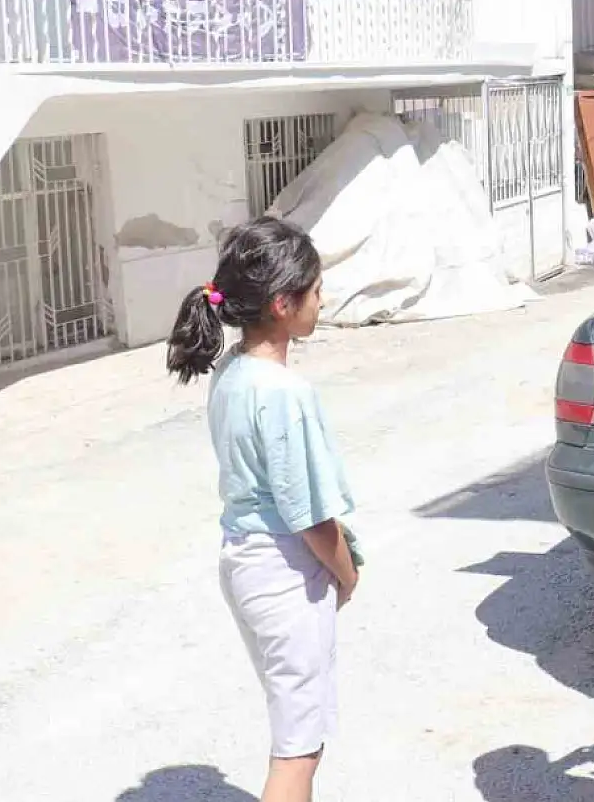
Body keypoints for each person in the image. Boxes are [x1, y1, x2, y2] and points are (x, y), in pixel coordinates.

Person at [166, 216, 361, 802]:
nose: (322, 301)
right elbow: (307, 514)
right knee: (298, 749)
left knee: (296, 729)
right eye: (316, 291)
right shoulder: (284, 393)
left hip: (247, 563)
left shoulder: (232, 372)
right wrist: (346, 573)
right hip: (283, 573)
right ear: (283, 304)